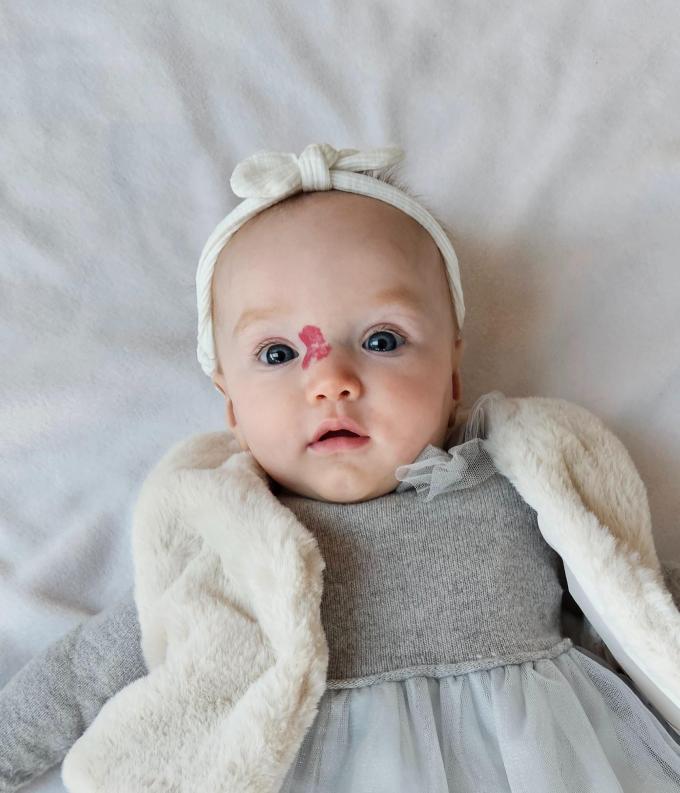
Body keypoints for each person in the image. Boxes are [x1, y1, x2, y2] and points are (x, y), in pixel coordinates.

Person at [2, 143, 680, 793]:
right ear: (231, 406)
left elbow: (635, 592)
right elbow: (91, 666)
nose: (331, 380)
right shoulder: (235, 538)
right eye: (277, 354)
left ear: (451, 374)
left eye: (383, 339)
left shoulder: (519, 488)